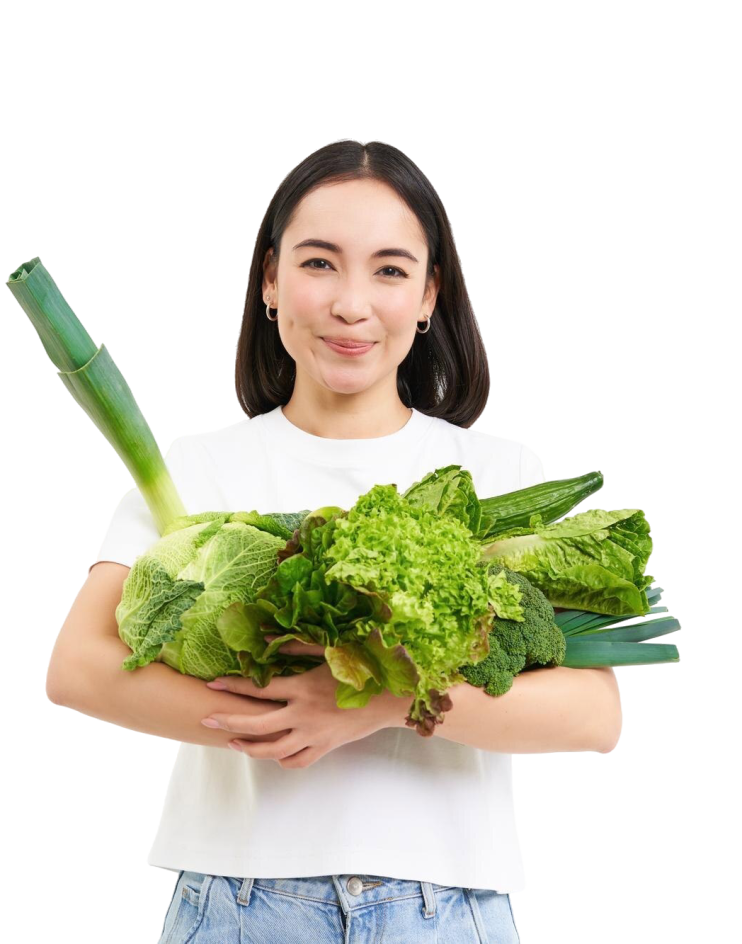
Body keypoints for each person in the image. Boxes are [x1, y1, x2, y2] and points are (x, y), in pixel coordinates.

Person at [47, 139, 618, 943]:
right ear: (272, 281)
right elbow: (77, 668)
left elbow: (593, 716)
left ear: (429, 296)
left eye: (389, 270)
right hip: (236, 904)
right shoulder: (200, 465)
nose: (352, 303)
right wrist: (286, 715)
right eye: (320, 264)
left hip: (446, 911)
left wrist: (379, 703)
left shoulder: (495, 474)